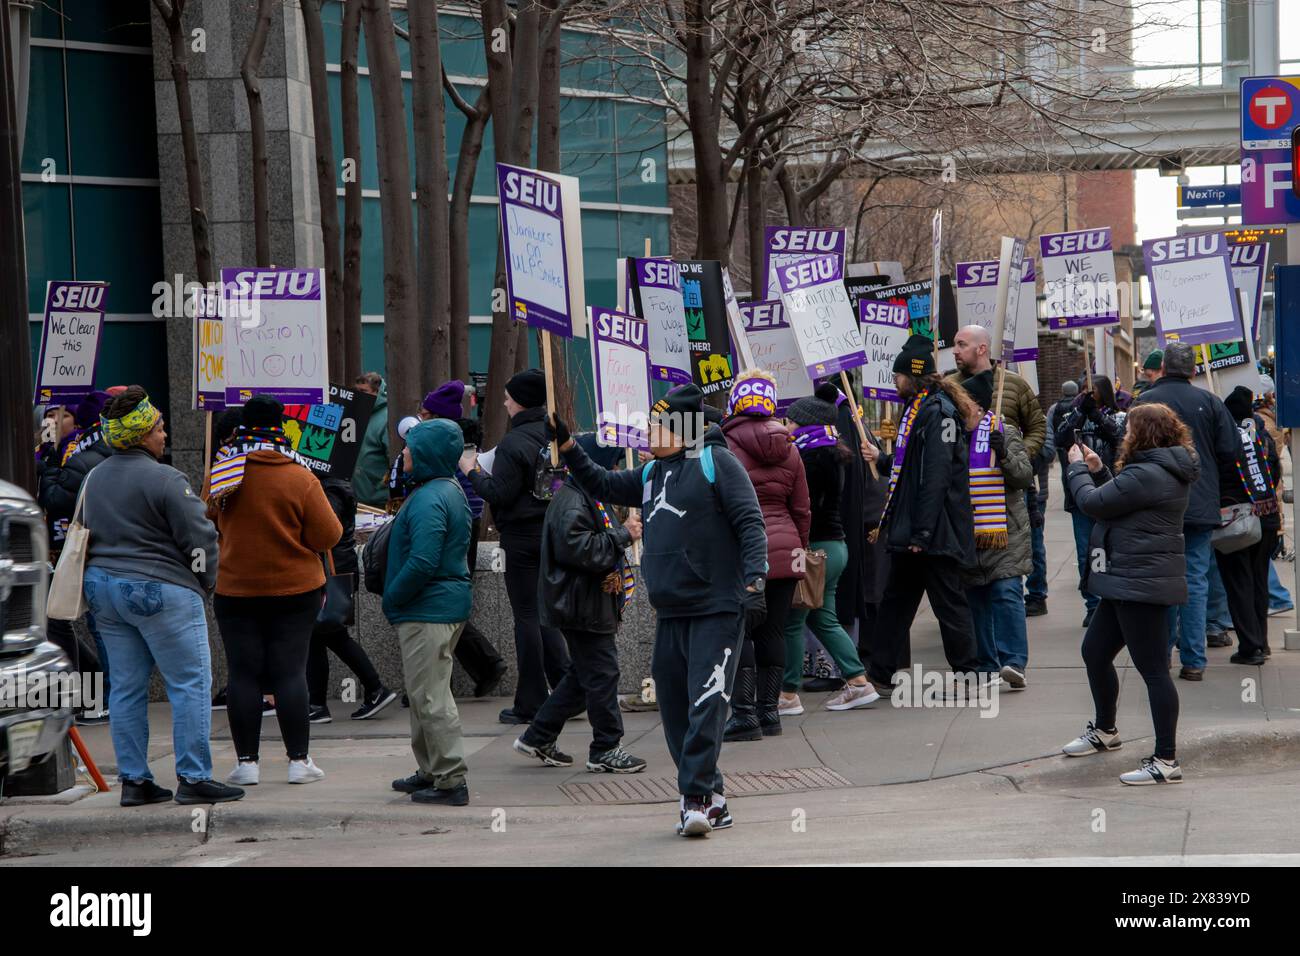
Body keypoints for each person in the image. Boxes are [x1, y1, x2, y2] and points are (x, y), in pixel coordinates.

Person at [547, 384, 767, 837]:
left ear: (682, 427)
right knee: (675, 708)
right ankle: (715, 798)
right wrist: (568, 446)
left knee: (708, 701)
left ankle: (696, 799)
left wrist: (755, 579)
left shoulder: (717, 463)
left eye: (656, 424)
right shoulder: (651, 474)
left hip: (717, 607)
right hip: (671, 611)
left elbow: (750, 521)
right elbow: (602, 483)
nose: (646, 431)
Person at [81, 387, 243, 806]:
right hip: (158, 588)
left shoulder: (94, 477)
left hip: (103, 590)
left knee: (126, 687)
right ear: (141, 435)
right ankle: (193, 776)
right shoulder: (166, 478)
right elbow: (199, 536)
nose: (164, 434)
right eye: (159, 428)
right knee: (189, 682)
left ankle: (135, 781)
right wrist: (205, 581)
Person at [208, 395, 342, 786]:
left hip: (235, 589)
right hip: (295, 589)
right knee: (289, 672)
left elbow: (207, 517)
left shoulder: (224, 472)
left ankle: (246, 763)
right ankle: (298, 761)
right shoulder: (300, 476)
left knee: (243, 673)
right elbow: (328, 534)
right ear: (281, 425)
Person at [1060, 402, 1197, 785]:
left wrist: (1073, 469)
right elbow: (1119, 501)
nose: (1124, 434)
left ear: (1144, 433)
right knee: (1095, 652)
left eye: (1129, 428)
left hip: (1141, 583)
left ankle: (1166, 760)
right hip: (1127, 580)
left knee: (1153, 671)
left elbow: (1093, 504)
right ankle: (1105, 730)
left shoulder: (1148, 473)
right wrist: (1099, 470)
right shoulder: (1158, 470)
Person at [512, 433, 648, 773]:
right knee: (603, 674)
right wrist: (622, 535)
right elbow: (579, 551)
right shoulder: (573, 500)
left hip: (586, 601)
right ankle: (605, 747)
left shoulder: (587, 496)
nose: (616, 470)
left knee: (583, 675)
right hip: (581, 604)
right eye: (612, 462)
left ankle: (538, 736)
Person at [866, 335, 984, 691]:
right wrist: (882, 459)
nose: (894, 382)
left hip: (932, 532)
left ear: (913, 377)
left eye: (898, 376)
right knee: (896, 603)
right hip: (919, 530)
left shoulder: (937, 412)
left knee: (948, 604)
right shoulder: (919, 409)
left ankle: (969, 673)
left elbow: (935, 477)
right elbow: (911, 464)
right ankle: (881, 672)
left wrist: (921, 533)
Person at [461, 369, 569, 725]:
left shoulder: (514, 442)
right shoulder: (553, 435)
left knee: (526, 618)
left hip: (521, 539)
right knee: (546, 615)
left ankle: (531, 701)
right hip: (552, 532)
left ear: (521, 399)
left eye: (508, 395)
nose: (504, 401)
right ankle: (568, 690)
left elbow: (498, 493)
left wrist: (472, 470)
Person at [1133, 342, 1240, 681]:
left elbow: (1127, 452)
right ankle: (1194, 659)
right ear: (1193, 370)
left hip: (1154, 504)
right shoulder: (1209, 401)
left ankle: (1161, 656)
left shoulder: (1145, 402)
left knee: (1160, 581)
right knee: (1194, 579)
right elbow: (1231, 449)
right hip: (1199, 502)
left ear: (1162, 367)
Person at [384, 419, 475, 806]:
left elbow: (423, 561)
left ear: (425, 454)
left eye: (409, 448)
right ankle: (432, 770)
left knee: (432, 697)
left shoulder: (429, 498)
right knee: (424, 694)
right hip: (437, 607)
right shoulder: (445, 490)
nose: (403, 452)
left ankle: (450, 779)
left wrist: (393, 598)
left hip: (428, 610)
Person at [720, 370, 809, 740]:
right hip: (786, 549)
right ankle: (769, 713)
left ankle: (743, 714)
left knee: (741, 630)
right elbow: (803, 508)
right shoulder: (790, 446)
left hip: (743, 551)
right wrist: (798, 553)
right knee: (775, 630)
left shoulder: (725, 445)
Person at [779, 394, 879, 713]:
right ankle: (859, 682)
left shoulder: (809, 457)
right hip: (836, 549)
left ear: (807, 424)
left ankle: (788, 694)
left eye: (792, 421)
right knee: (824, 619)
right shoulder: (834, 452)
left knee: (794, 621)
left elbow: (802, 507)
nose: (787, 426)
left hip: (812, 549)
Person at [415, 381, 507, 698]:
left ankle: (480, 666)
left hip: (452, 527)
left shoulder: (443, 444)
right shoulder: (456, 442)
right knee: (447, 602)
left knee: (443, 603)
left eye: (425, 412)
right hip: (459, 524)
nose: (419, 417)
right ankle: (470, 670)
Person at [39, 389, 115, 723]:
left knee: (91, 628)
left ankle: (99, 697)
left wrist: (53, 465)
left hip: (82, 553)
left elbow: (55, 498)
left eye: (64, 415)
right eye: (51, 415)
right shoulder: (66, 451)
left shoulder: (81, 455)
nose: (55, 421)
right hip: (66, 552)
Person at [958, 370, 1034, 688]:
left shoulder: (1005, 430)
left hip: (1005, 529)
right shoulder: (955, 436)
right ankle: (987, 664)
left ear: (978, 407)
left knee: (1006, 593)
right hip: (970, 531)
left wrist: (1003, 452)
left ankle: (1014, 661)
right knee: (976, 598)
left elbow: (1023, 476)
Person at [307, 473, 397, 723]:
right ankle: (319, 703)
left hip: (332, 572)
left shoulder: (330, 488)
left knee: (328, 634)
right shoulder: (335, 484)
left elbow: (326, 529)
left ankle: (372, 689)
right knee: (323, 635)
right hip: (335, 569)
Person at [1215, 386, 1282, 665]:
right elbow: (1275, 472)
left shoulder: (1226, 441)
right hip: (1266, 518)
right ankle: (1262, 642)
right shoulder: (1262, 437)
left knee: (1238, 583)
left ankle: (1250, 646)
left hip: (1237, 521)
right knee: (1258, 582)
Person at [1053, 375, 1126, 627]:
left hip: (1109, 490)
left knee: (1112, 549)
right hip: (1079, 493)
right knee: (1087, 550)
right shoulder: (1071, 415)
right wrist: (1079, 415)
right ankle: (1093, 604)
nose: (1088, 395)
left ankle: (1112, 599)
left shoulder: (1118, 416)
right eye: (1085, 391)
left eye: (1092, 391)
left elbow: (1119, 438)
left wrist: (1096, 415)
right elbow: (1060, 440)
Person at [949, 324, 1047, 458]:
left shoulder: (1014, 383)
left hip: (1004, 475)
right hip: (961, 475)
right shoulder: (948, 386)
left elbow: (1038, 427)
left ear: (981, 349)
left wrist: (1016, 456)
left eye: (961, 345)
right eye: (954, 344)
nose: (955, 351)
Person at [1024, 396, 1054, 617]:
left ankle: (1036, 594)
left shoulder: (1039, 420)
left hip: (1036, 493)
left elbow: (1048, 452)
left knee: (1035, 544)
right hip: (1012, 491)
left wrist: (1026, 447)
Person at [353, 371, 390, 508]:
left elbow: (393, 459)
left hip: (379, 501)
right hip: (357, 498)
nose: (359, 395)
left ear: (378, 392)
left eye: (363, 391)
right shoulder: (356, 414)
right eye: (356, 391)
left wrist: (381, 486)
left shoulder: (387, 418)